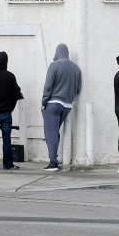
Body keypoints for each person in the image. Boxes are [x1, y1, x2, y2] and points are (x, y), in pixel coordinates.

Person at [41, 43, 83, 171]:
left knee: (50, 133)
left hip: (53, 104)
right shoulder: (76, 68)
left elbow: (48, 85)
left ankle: (53, 163)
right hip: (67, 106)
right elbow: (78, 89)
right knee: (55, 132)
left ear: (57, 52)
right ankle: (54, 157)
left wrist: (44, 101)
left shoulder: (54, 65)